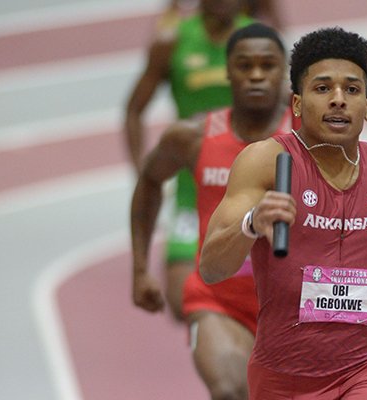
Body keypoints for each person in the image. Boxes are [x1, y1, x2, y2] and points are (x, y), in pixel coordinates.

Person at [200, 27, 367, 399]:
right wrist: (251, 223)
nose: (339, 100)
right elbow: (211, 267)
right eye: (323, 88)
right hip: (281, 378)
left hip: (361, 373)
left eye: (353, 90)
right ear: (297, 104)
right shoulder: (266, 163)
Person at [131, 23, 291, 400]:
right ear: (228, 71)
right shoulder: (192, 136)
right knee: (229, 390)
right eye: (244, 65)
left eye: (267, 65)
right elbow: (150, 181)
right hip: (219, 299)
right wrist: (140, 269)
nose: (255, 74)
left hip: (292, 305)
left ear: (284, 72)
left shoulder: (308, 136)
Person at [125, 0, 253, 322]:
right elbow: (133, 110)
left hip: (251, 179)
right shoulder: (172, 41)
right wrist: (140, 169)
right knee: (181, 302)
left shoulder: (256, 39)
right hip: (192, 185)